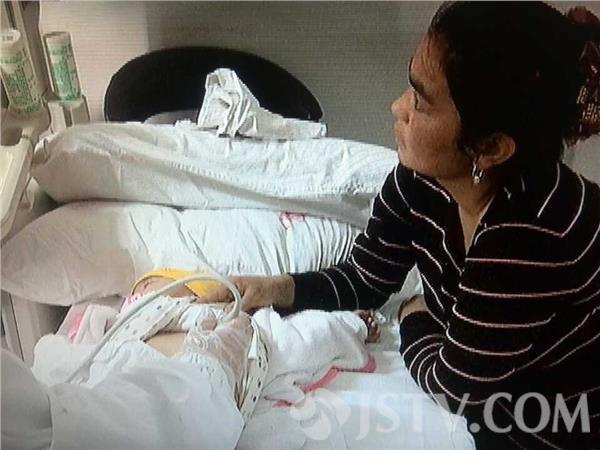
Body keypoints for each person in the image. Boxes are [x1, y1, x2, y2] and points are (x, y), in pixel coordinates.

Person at [200, 2, 600, 448]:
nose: (398, 107)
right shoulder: (420, 182)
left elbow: (456, 388)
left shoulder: (531, 235)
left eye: (421, 101)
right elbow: (367, 278)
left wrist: (413, 315)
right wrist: (274, 289)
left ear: (489, 147)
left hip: (556, 423)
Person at [2, 269, 380, 449]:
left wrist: (349, 323)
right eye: (147, 287)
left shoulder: (240, 321)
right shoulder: (131, 320)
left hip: (196, 372)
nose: (154, 288)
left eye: (163, 283)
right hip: (165, 386)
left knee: (284, 342)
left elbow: (300, 337)